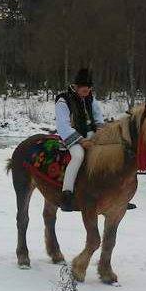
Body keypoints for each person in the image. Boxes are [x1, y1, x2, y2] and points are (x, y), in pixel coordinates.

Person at [55, 69, 106, 212]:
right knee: (78, 156)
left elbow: (98, 118)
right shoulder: (63, 101)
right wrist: (82, 141)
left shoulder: (90, 98)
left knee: (108, 153)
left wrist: (101, 131)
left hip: (92, 135)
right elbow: (63, 126)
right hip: (72, 137)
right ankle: (67, 193)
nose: (88, 90)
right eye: (85, 87)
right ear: (76, 86)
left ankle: (110, 193)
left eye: (89, 87)